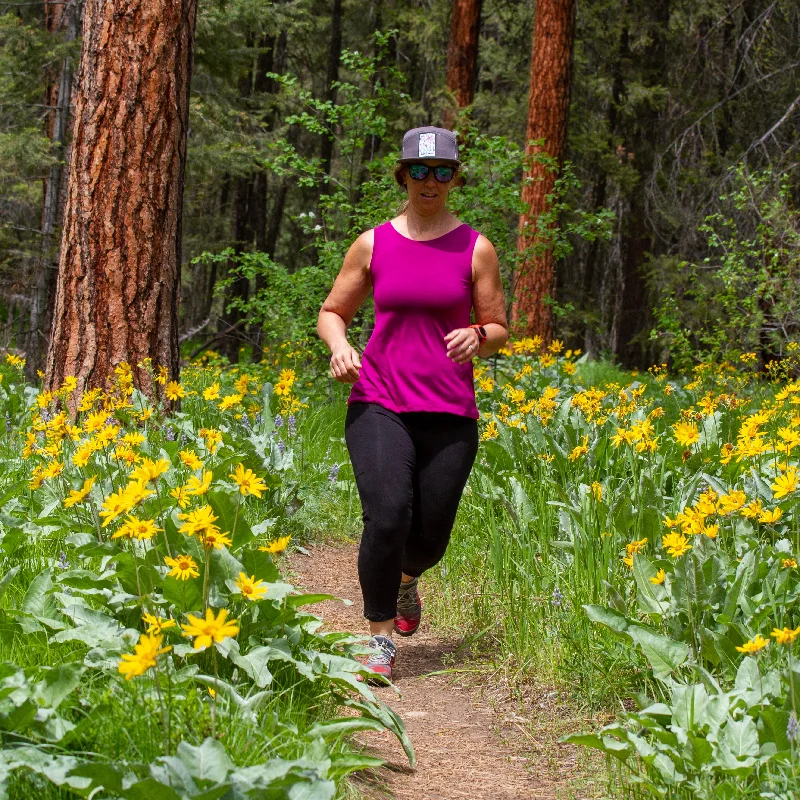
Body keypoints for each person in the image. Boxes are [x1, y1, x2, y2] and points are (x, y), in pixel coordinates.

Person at [317, 126, 508, 681]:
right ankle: (378, 640)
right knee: (387, 515)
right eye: (420, 171)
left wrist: (480, 334)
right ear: (403, 174)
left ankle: (406, 579)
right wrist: (340, 347)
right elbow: (333, 312)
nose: (430, 181)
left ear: (454, 179)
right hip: (379, 399)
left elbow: (499, 328)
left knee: (426, 540)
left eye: (442, 172)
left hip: (449, 412)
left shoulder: (476, 247)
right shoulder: (374, 242)